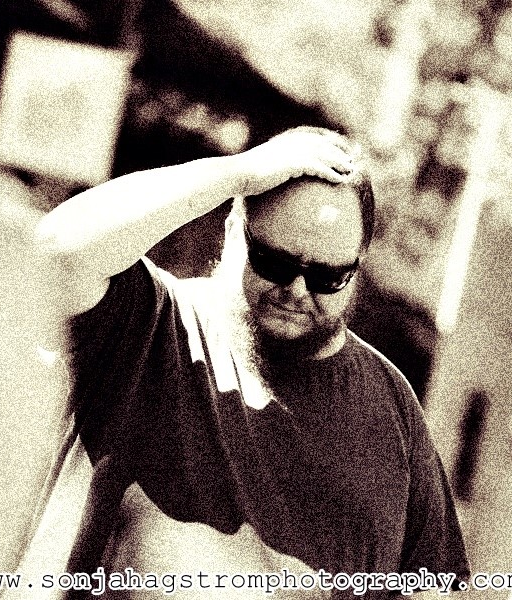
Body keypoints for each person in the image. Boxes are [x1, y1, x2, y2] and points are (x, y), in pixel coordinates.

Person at [34, 127, 469, 599]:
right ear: (232, 229)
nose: (297, 290)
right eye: (274, 262)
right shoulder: (148, 322)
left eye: (328, 276)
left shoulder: (394, 405)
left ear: (356, 269)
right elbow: (57, 250)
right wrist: (239, 173)